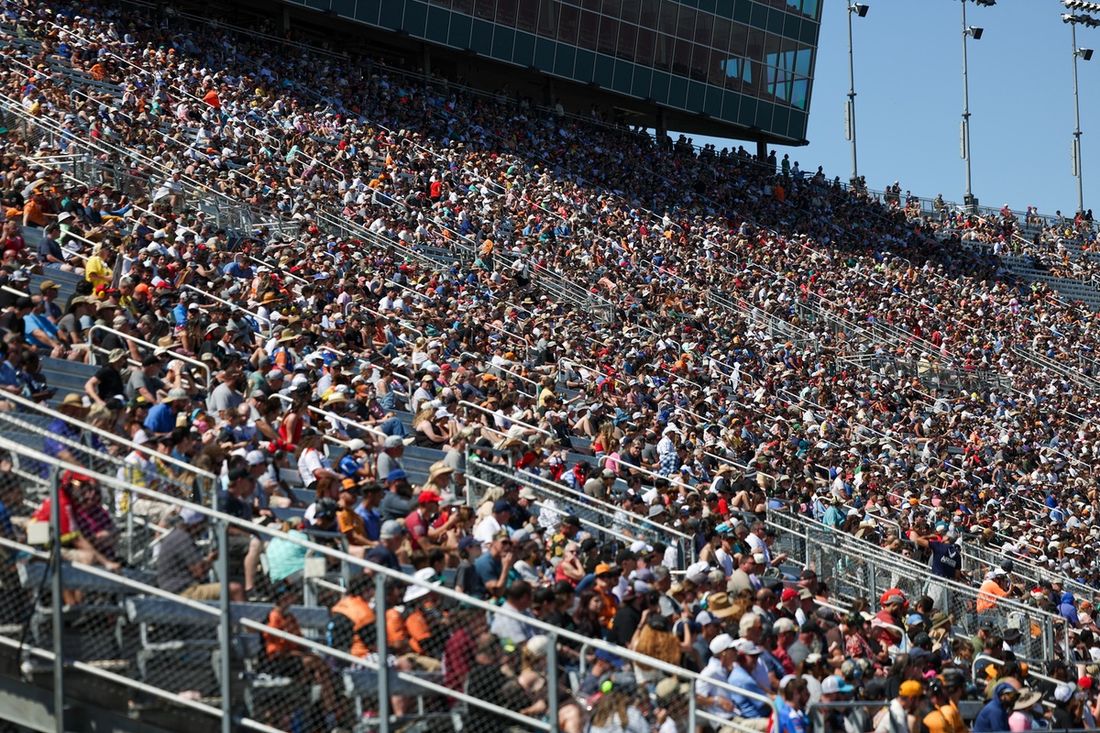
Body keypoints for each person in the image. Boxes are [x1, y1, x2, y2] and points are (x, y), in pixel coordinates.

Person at [156, 508, 244, 601]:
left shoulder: (176, 535)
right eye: (202, 524)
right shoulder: (184, 539)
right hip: (184, 592)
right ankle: (247, 616)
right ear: (195, 525)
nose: (204, 527)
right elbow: (199, 573)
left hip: (174, 589)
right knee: (236, 589)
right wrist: (210, 560)